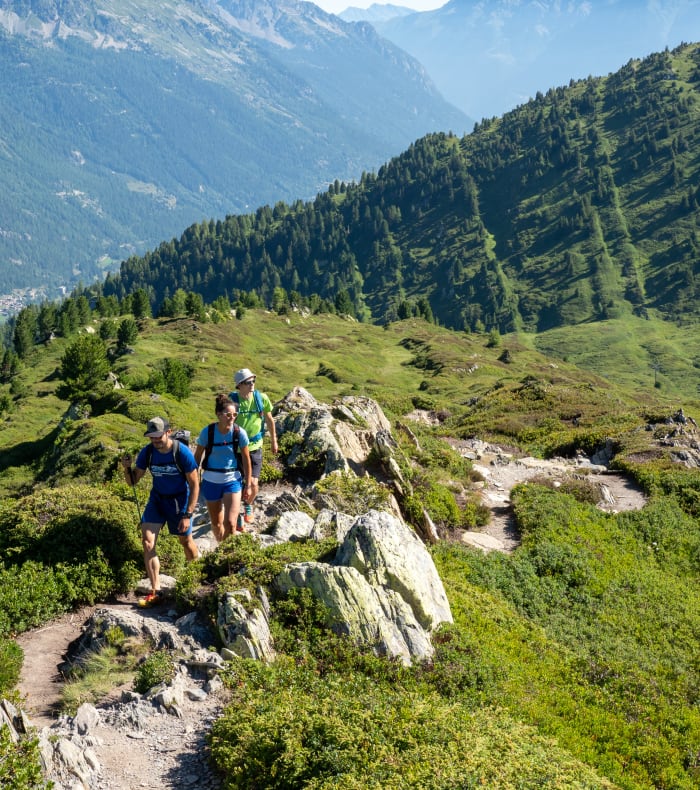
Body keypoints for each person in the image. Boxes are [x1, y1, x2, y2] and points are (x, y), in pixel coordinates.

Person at [121, 417, 200, 608]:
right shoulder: (147, 453)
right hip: (157, 500)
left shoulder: (182, 452)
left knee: (186, 541)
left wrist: (188, 514)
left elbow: (195, 484)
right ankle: (155, 591)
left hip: (178, 501)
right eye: (151, 436)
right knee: (147, 542)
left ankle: (197, 578)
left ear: (168, 432)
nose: (155, 440)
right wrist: (126, 469)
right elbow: (133, 481)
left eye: (158, 435)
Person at [194, 394, 253, 542]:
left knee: (231, 523)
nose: (232, 417)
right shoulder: (207, 432)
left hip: (233, 480)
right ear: (218, 414)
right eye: (228, 414)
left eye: (235, 414)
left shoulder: (240, 433)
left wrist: (249, 484)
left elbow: (246, 459)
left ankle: (228, 557)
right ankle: (222, 549)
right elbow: (197, 456)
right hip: (210, 480)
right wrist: (193, 480)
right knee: (216, 523)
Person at [231, 368, 278, 524]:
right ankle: (236, 511)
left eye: (253, 381)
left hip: (255, 446)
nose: (252, 384)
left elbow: (270, 420)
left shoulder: (261, 398)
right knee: (237, 483)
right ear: (239, 385)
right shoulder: (232, 401)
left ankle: (248, 505)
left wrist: (274, 440)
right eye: (247, 382)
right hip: (235, 449)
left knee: (253, 483)